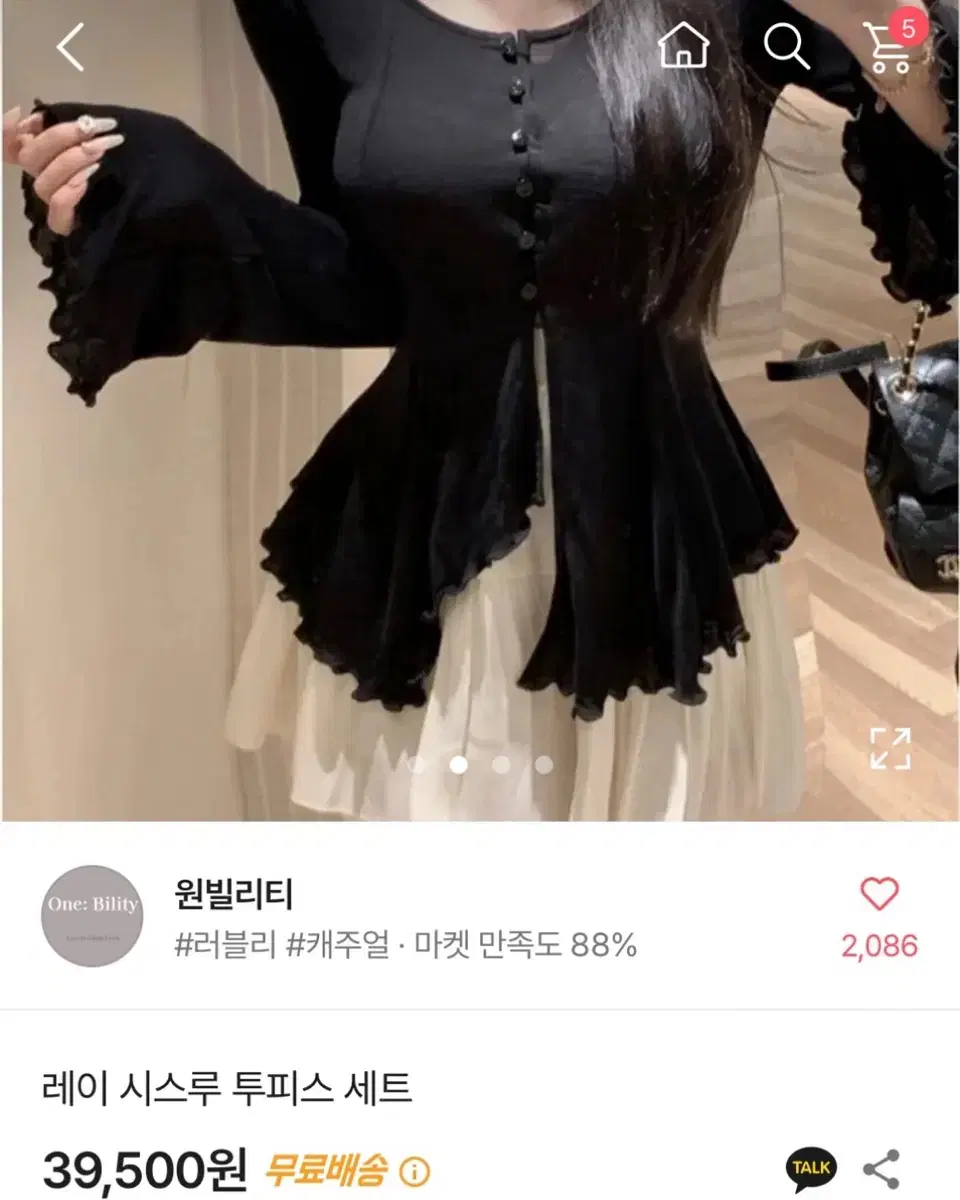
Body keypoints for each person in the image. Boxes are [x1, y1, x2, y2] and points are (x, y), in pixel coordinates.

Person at [4, 0, 956, 821]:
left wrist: (881, 18)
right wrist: (166, 189)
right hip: (428, 552)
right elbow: (362, 283)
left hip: (664, 537)